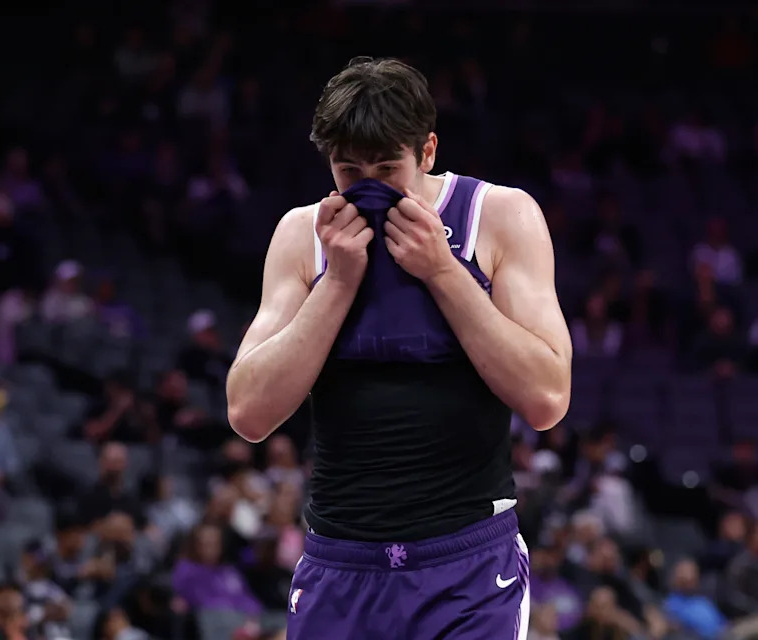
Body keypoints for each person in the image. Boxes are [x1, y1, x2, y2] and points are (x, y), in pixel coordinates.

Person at [226, 57, 572, 639]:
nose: (369, 188)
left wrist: (443, 271)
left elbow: (546, 397)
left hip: (467, 568)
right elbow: (248, 413)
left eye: (388, 168)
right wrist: (337, 282)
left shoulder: (500, 217)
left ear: (428, 151)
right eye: (348, 170)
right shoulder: (301, 235)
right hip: (340, 565)